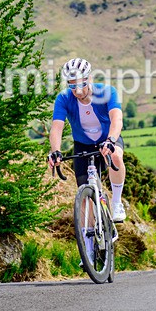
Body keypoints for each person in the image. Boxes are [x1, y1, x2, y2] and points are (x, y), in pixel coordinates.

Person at [47, 58, 127, 223]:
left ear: (89, 78)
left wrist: (111, 140)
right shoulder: (63, 98)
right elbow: (56, 127)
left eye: (80, 84)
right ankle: (90, 240)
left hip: (107, 138)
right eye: (72, 85)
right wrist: (55, 151)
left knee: (117, 156)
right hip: (83, 144)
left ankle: (117, 202)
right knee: (84, 198)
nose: (76, 90)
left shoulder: (107, 91)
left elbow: (117, 119)